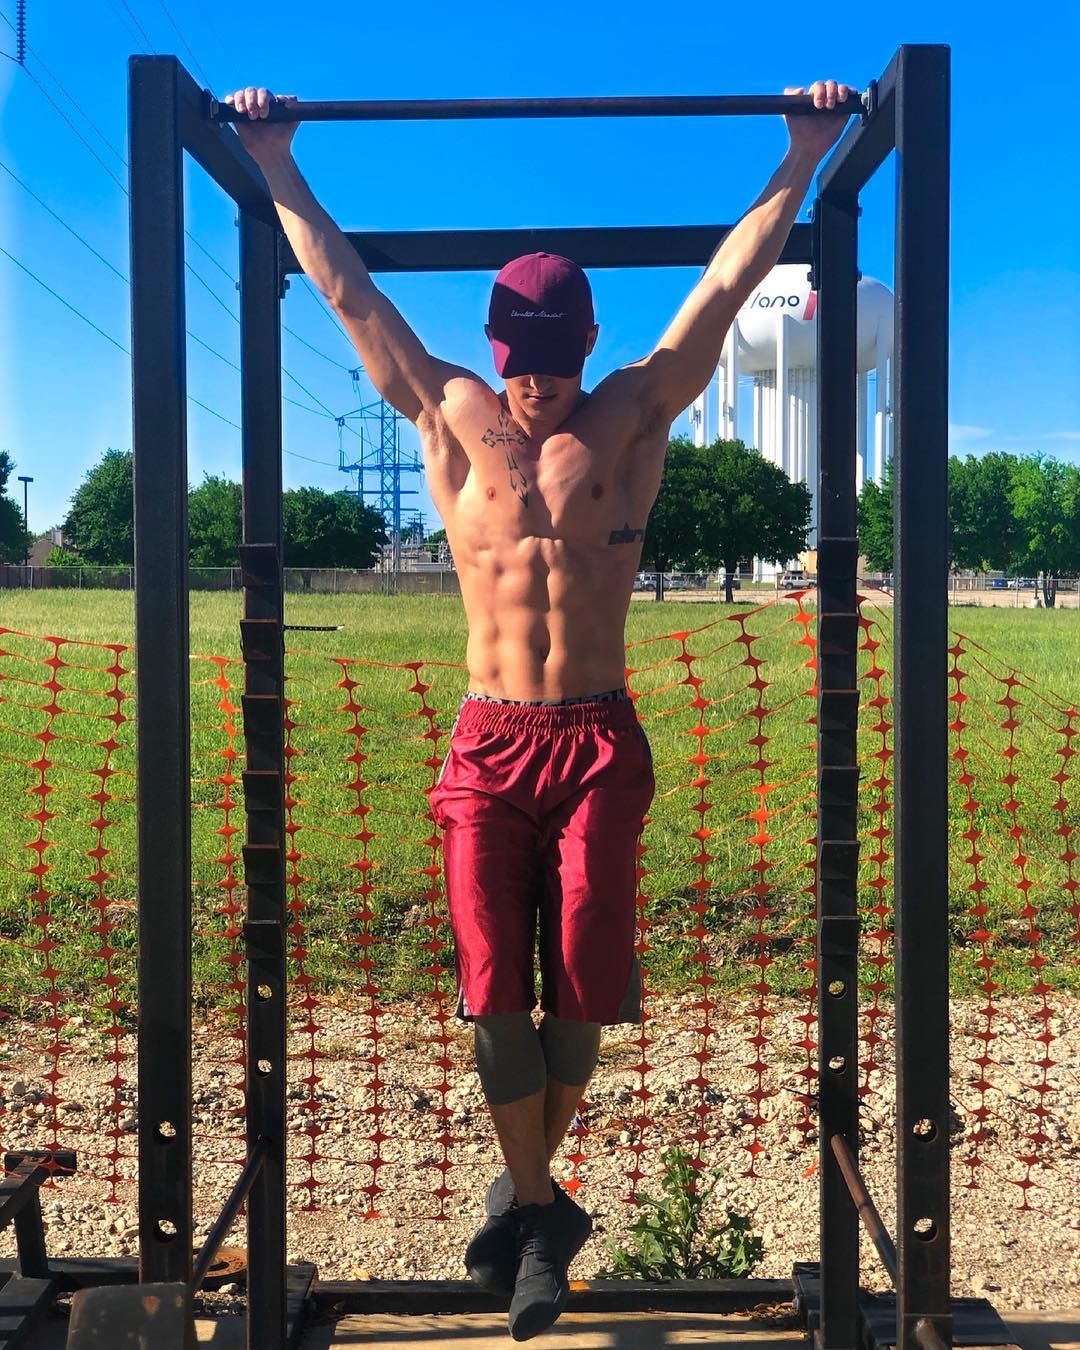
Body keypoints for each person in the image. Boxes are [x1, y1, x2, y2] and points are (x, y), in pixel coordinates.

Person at [225, 78, 853, 1342]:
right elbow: (351, 295)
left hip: (601, 736)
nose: (543, 388)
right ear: (497, 350)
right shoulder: (450, 413)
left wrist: (806, 153)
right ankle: (539, 1214)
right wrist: (278, 162)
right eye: (527, 365)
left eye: (561, 364)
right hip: (488, 738)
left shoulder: (631, 413)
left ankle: (524, 1215)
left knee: (579, 981)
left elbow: (723, 296)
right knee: (486, 986)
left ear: (588, 348)